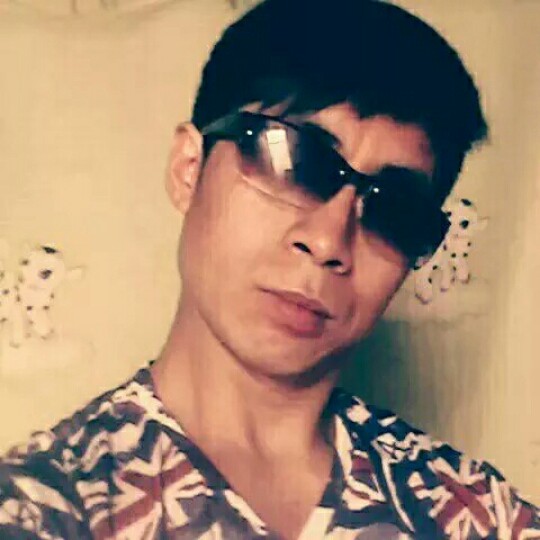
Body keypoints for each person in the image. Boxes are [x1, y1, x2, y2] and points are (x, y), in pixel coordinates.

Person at [1, 0, 539, 538]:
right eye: (294, 163)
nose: (328, 241)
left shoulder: (473, 513)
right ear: (189, 168)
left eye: (395, 208)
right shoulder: (47, 506)